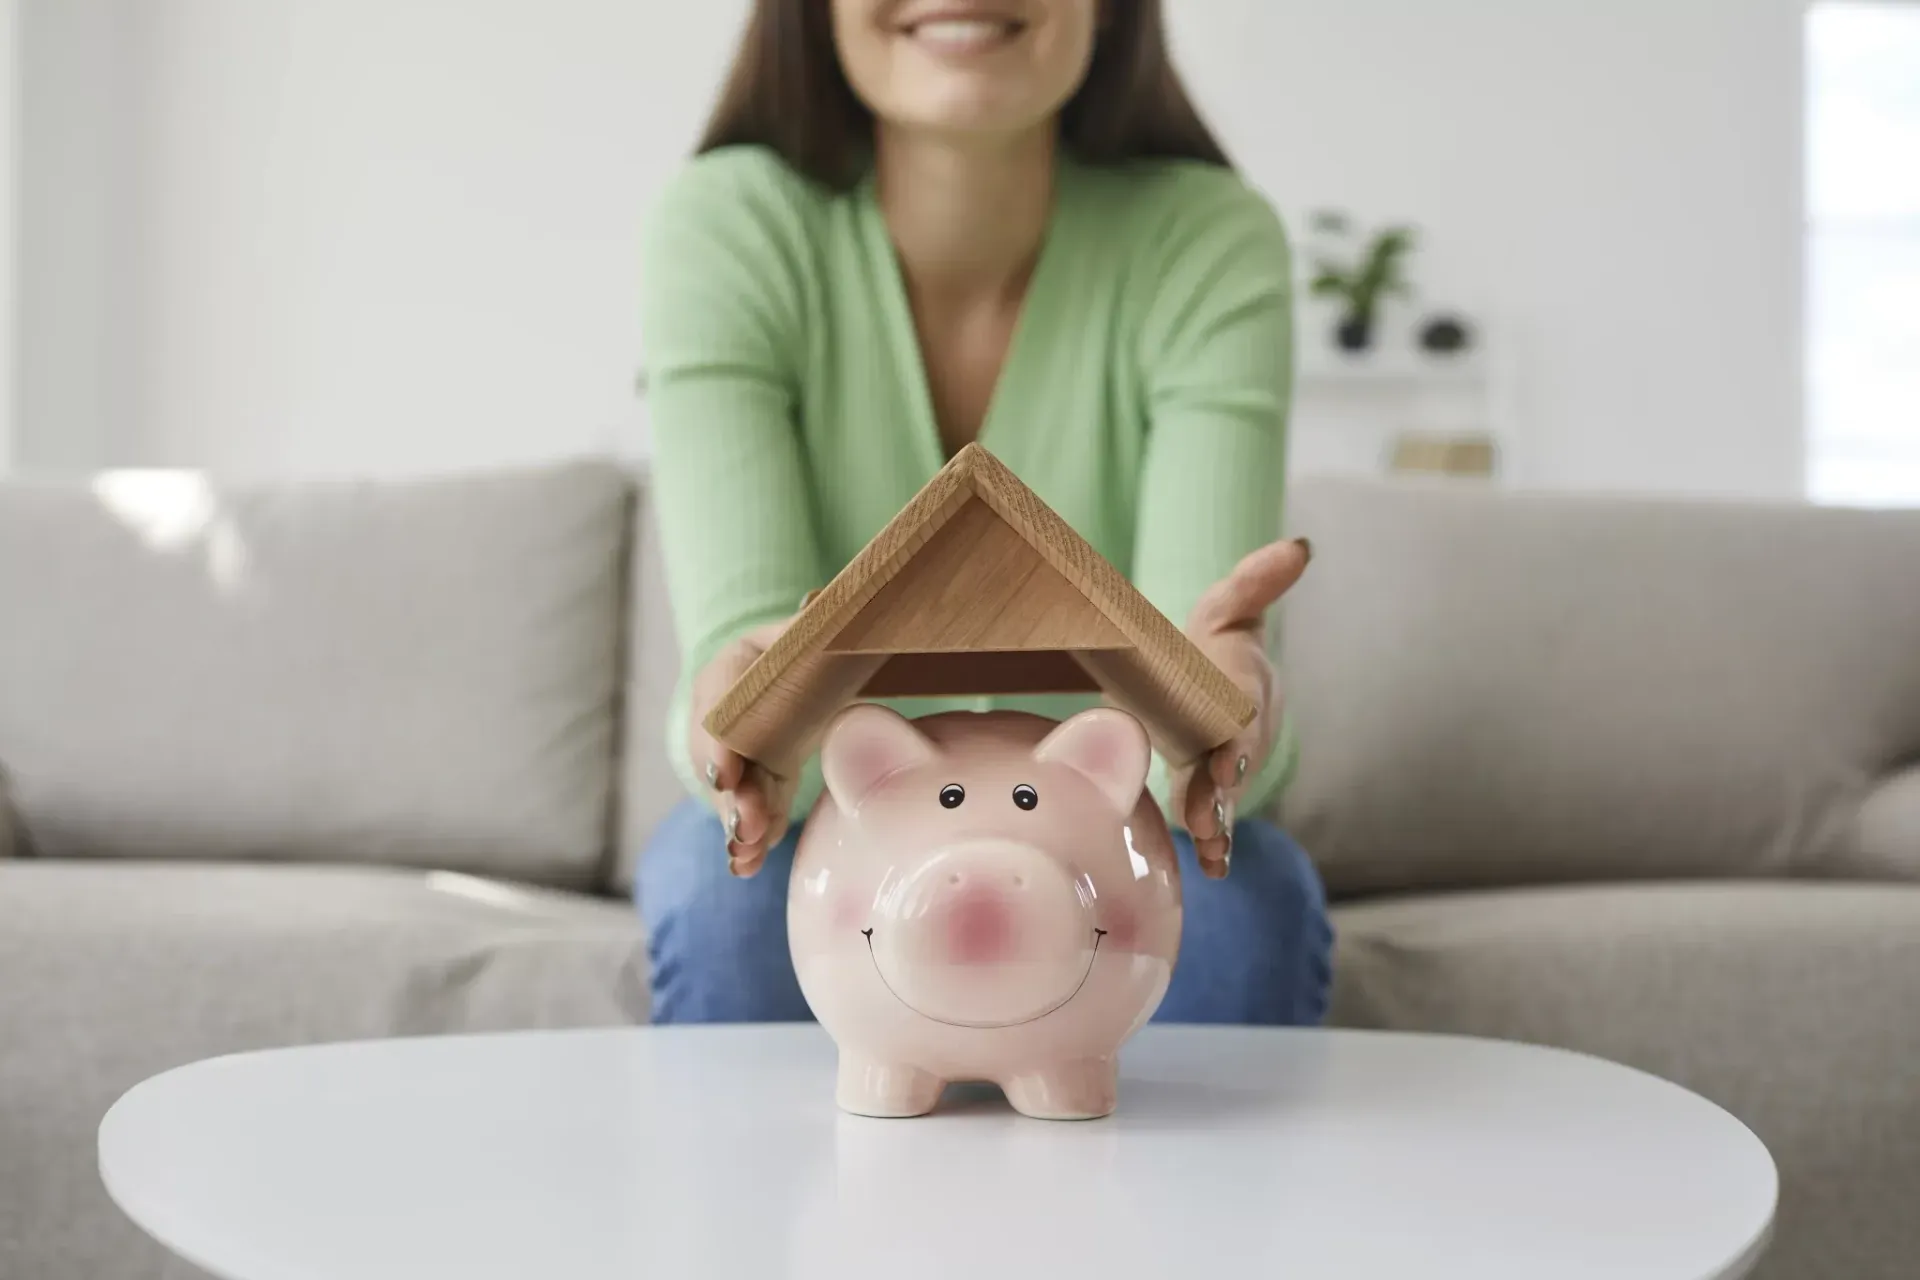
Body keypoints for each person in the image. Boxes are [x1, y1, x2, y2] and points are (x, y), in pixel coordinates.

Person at [634, 0, 1331, 1026]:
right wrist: (738, 720)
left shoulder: (1208, 238)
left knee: (1246, 910)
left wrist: (1223, 712)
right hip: (838, 811)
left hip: (1107, 815)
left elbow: (1206, 704)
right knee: (720, 903)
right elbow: (728, 651)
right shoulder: (729, 224)